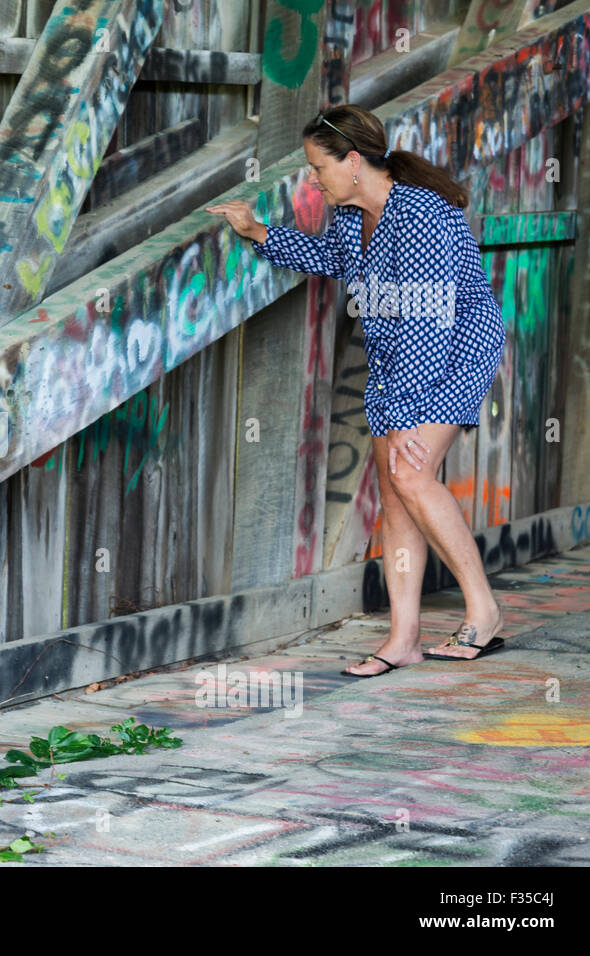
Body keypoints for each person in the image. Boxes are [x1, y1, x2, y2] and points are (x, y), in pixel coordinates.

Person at [207, 104, 507, 677]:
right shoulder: (351, 213)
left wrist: (402, 415)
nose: (311, 179)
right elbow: (333, 259)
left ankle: (484, 611)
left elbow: (429, 324)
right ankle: (403, 639)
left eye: (316, 167)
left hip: (454, 352)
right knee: (395, 494)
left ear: (351, 161)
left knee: (411, 473)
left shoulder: (421, 215)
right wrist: (258, 233)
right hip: (396, 359)